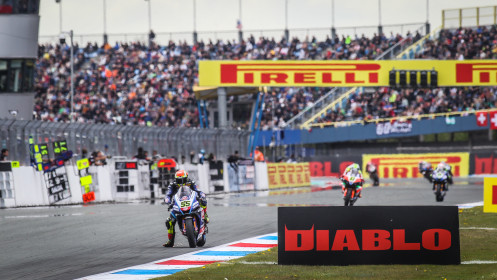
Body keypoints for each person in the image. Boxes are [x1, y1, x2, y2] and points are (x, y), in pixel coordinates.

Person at [163, 169, 208, 247]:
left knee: (203, 202)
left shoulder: (191, 183)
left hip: (191, 201)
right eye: (178, 180)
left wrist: (202, 195)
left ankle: (205, 215)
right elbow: (168, 194)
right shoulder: (173, 185)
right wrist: (167, 200)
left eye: (183, 180)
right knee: (170, 221)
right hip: (178, 204)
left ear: (186, 178)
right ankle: (170, 241)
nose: (181, 182)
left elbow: (198, 190)